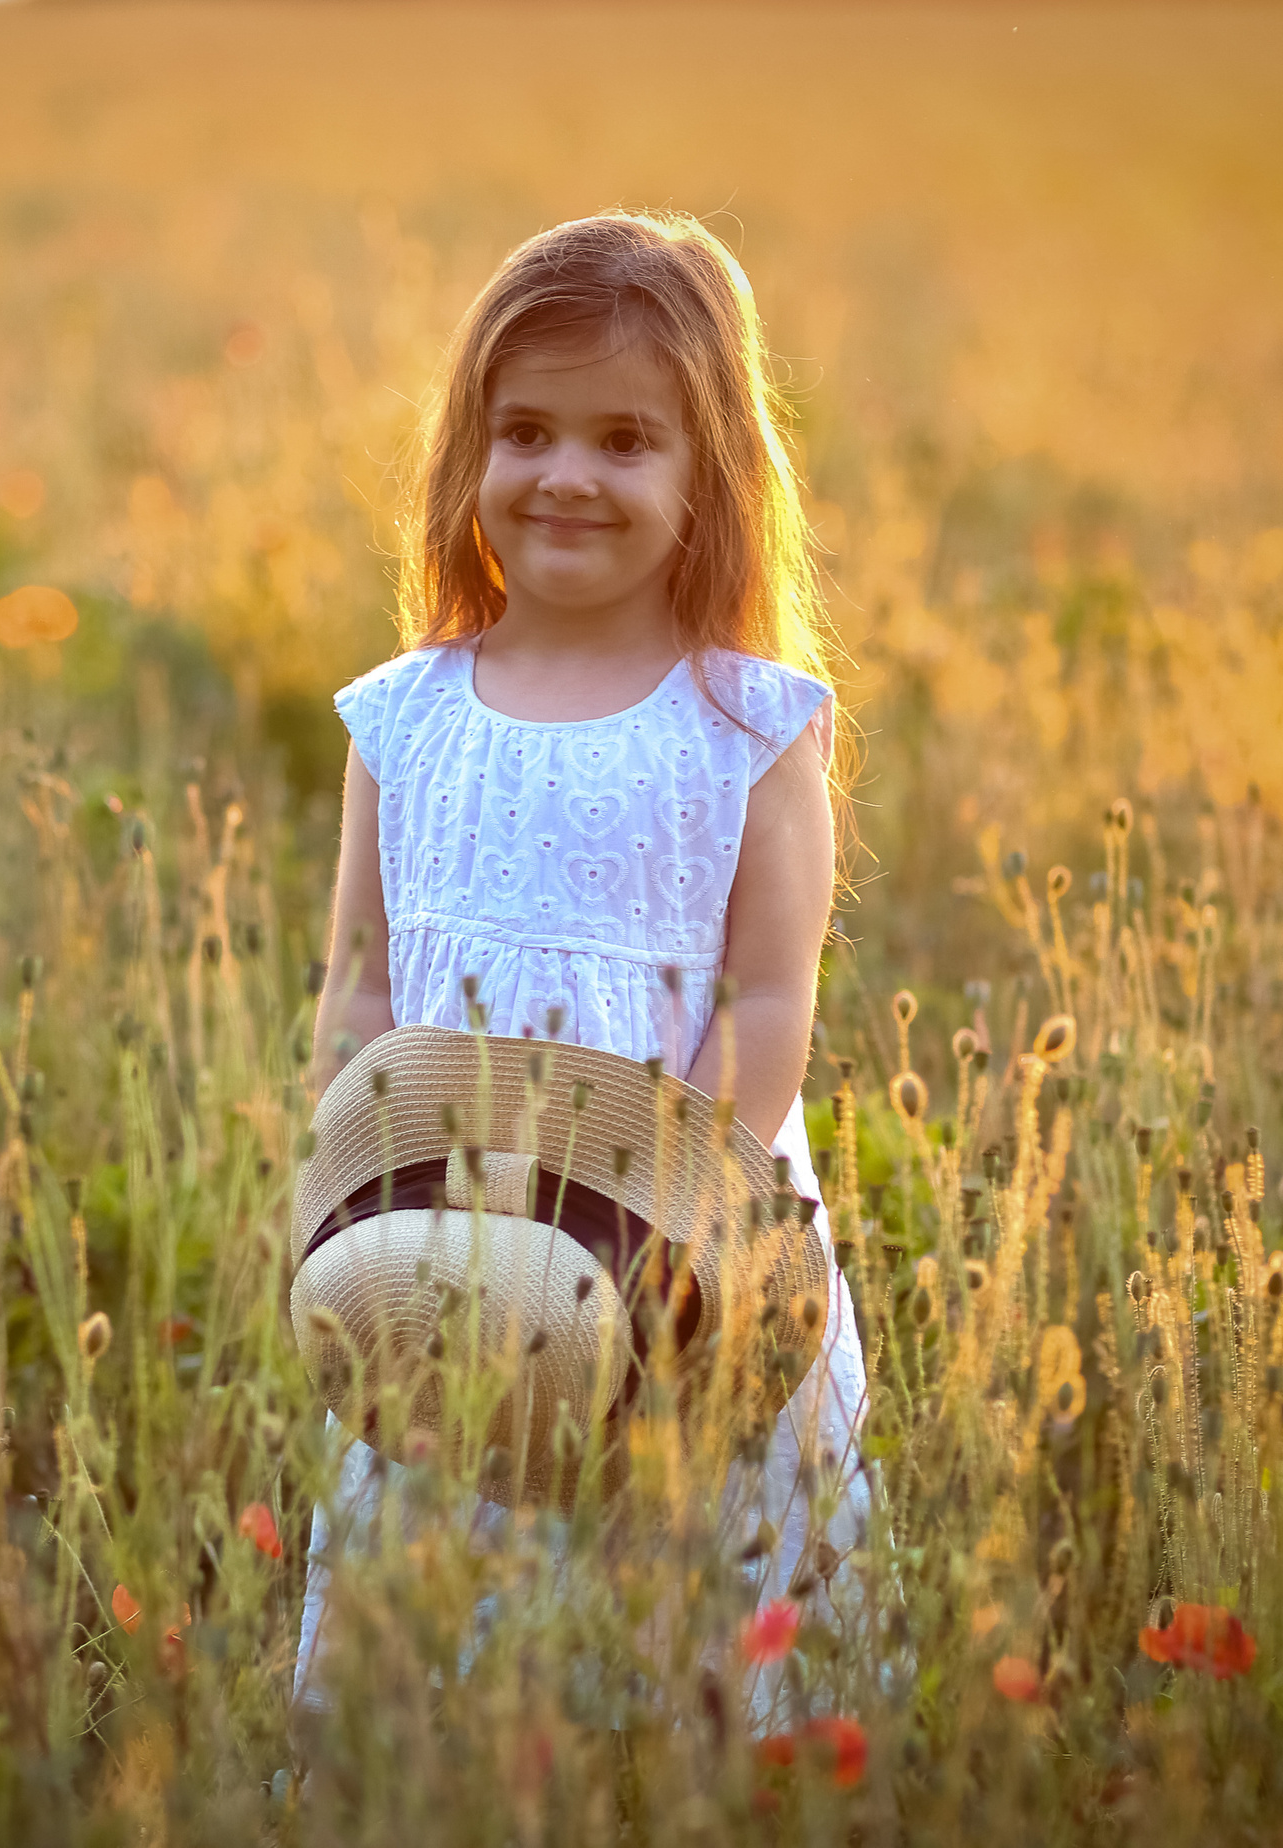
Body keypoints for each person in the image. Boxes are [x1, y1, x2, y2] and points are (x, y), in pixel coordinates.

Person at [296, 210, 871, 1732]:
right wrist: (349, 1209)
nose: (566, 474)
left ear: (708, 479)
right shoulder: (404, 720)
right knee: (444, 1639)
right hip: (447, 1260)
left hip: (681, 1261)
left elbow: (767, 1009)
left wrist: (654, 1266)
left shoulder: (747, 726)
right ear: (468, 456)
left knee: (691, 1635)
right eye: (527, 431)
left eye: (626, 440)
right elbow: (359, 989)